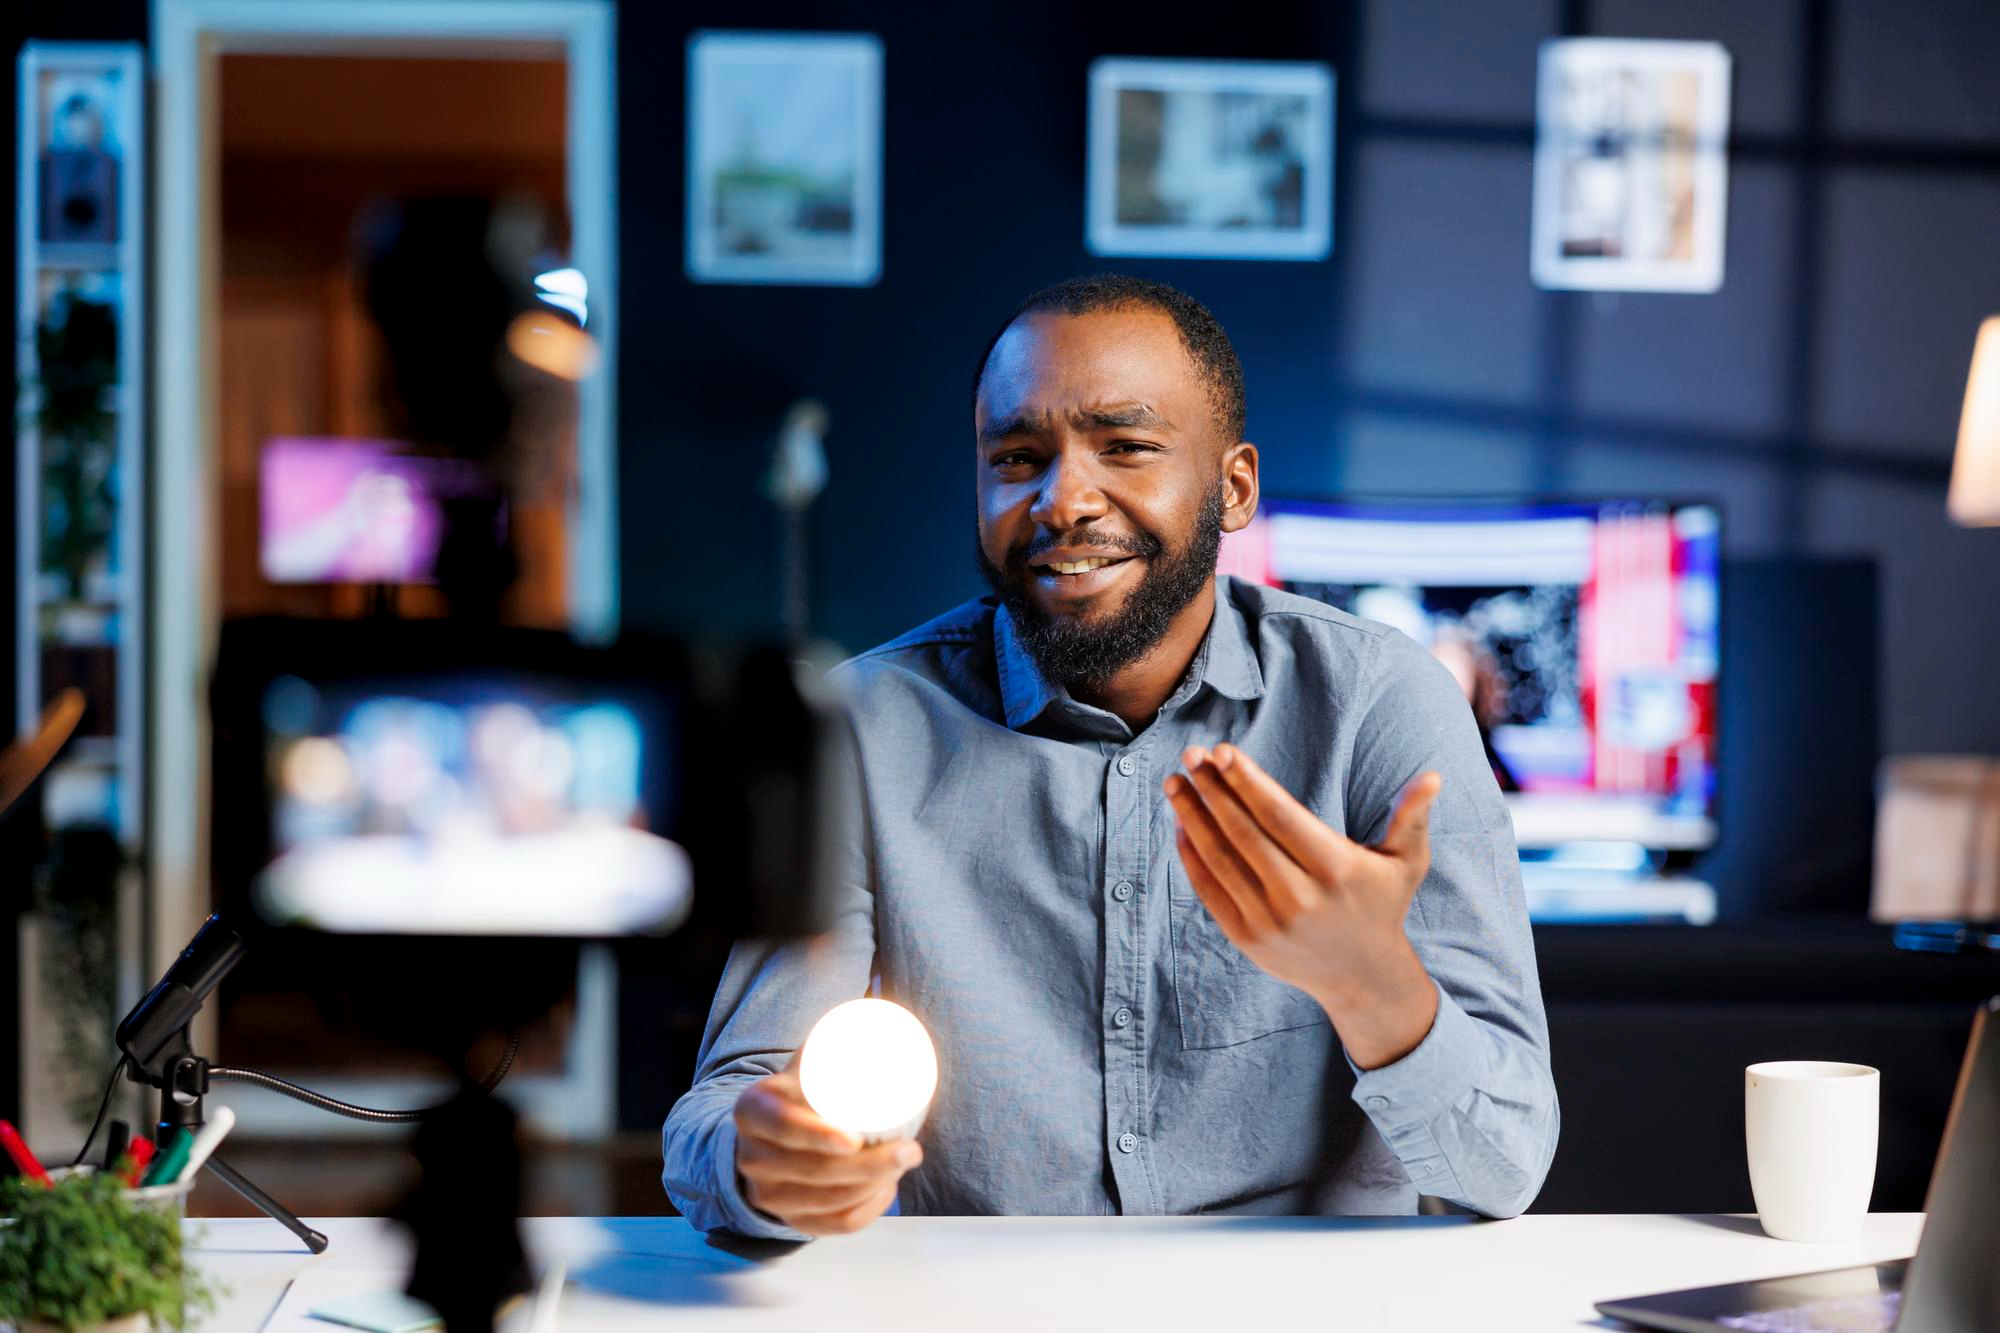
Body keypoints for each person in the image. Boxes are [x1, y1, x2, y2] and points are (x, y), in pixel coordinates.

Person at [663, 275, 1559, 1237]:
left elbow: (1501, 1165)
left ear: (1234, 486)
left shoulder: (1381, 702)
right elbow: (727, 1108)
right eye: (1017, 456)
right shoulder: (861, 728)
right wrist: (764, 1166)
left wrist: (1367, 979)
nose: (1062, 500)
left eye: (1124, 446)